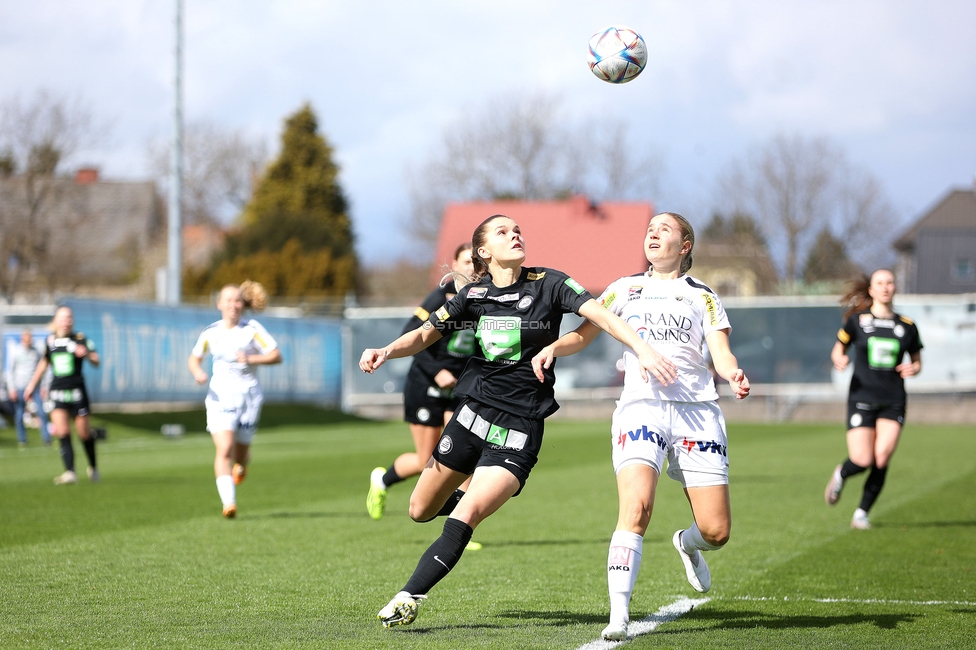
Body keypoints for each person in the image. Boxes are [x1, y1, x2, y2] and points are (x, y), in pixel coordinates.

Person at [359, 214, 678, 628]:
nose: (516, 235)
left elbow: (601, 316)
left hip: (520, 428)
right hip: (472, 415)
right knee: (419, 510)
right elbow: (424, 335)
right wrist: (385, 350)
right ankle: (457, 510)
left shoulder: (550, 283)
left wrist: (643, 348)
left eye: (517, 230)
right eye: (503, 231)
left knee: (467, 513)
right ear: (484, 251)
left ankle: (409, 596)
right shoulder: (473, 295)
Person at [532, 212, 751, 641]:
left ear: (685, 245)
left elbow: (720, 353)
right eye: (649, 228)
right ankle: (619, 615)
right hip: (641, 407)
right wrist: (553, 348)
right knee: (636, 508)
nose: (653, 233)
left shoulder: (702, 296)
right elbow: (584, 333)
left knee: (716, 531)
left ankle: (686, 544)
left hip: (697, 411)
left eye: (664, 229)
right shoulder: (623, 288)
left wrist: (734, 373)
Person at [366, 243, 479, 527]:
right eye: (466, 261)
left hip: (458, 388)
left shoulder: (482, 297)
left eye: (476, 262)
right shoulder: (440, 297)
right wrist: (438, 370)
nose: (472, 267)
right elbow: (412, 336)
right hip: (425, 383)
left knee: (465, 454)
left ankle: (458, 527)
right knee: (425, 460)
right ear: (453, 264)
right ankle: (382, 480)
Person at [824, 269, 922, 530]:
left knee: (882, 457)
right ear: (871, 290)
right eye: (880, 283)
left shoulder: (907, 326)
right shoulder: (857, 321)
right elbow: (838, 348)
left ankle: (861, 514)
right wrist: (839, 358)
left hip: (893, 400)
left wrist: (914, 368)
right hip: (861, 396)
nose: (885, 287)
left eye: (890, 282)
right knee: (862, 459)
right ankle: (841, 473)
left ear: (895, 288)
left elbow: (916, 361)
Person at [188, 281, 282, 519]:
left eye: (237, 300)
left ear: (243, 304)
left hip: (248, 398)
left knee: (240, 455)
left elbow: (275, 355)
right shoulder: (211, 332)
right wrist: (198, 372)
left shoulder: (252, 329)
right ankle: (228, 503)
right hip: (220, 397)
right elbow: (194, 358)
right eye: (228, 300)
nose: (233, 305)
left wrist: (252, 359)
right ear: (219, 303)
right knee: (225, 449)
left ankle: (242, 465)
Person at [24, 306, 101, 485]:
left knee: (83, 433)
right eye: (63, 318)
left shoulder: (80, 339)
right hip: (57, 391)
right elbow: (44, 363)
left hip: (77, 392)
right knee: (63, 432)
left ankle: (93, 466)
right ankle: (70, 472)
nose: (66, 321)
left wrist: (88, 354)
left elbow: (97, 360)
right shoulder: (50, 342)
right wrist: (31, 386)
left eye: (69, 318)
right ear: (56, 321)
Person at [6, 329, 52, 448]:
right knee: (20, 414)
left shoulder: (36, 352)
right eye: (26, 338)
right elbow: (10, 371)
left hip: (34, 387)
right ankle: (22, 439)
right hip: (20, 386)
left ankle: (47, 438)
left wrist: (44, 386)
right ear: (22, 339)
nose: (28, 341)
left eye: (30, 338)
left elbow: (43, 369)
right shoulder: (16, 352)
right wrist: (12, 388)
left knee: (41, 412)